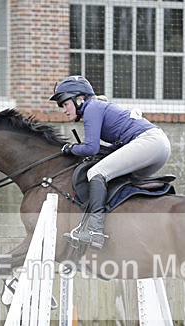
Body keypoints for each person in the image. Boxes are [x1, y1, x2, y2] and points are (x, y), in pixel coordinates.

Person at [50, 75, 171, 249]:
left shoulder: (92, 108)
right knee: (113, 179)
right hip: (158, 146)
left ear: (79, 99)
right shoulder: (97, 107)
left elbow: (90, 148)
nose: (63, 110)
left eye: (65, 104)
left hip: (149, 142)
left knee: (95, 173)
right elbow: (109, 148)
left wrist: (70, 149)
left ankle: (95, 230)